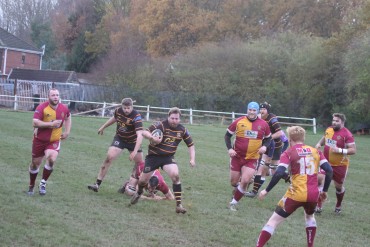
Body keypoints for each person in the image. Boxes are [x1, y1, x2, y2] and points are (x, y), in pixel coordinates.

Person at [255, 126, 333, 247]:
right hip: (313, 194)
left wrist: (266, 190)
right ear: (303, 138)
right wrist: (324, 191)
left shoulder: (289, 152)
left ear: (290, 139)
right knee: (309, 216)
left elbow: (279, 172)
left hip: (295, 194)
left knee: (273, 221)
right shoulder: (316, 151)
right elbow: (329, 170)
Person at [129, 107, 196, 214]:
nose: (174, 121)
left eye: (177, 119)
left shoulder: (182, 130)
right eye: (172, 118)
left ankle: (179, 205)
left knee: (175, 176)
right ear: (168, 117)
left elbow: (191, 145)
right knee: (142, 181)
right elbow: (144, 132)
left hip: (167, 158)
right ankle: (139, 192)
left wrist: (192, 159)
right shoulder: (160, 125)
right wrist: (152, 138)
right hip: (153, 157)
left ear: (180, 119)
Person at [88, 98, 144, 192]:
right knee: (109, 157)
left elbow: (140, 136)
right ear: (122, 106)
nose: (126, 110)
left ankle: (131, 184)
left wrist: (134, 151)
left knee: (140, 164)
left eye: (128, 108)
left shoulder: (136, 116)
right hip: (120, 138)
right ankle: (97, 184)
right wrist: (103, 127)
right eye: (125, 108)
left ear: (132, 107)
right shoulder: (118, 111)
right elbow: (114, 118)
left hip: (133, 141)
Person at [225, 101, 272, 211]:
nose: (251, 112)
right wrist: (230, 149)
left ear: (257, 111)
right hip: (237, 157)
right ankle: (239, 188)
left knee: (245, 180)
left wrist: (265, 146)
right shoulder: (238, 121)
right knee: (233, 182)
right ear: (247, 110)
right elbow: (227, 136)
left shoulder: (263, 124)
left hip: (252, 158)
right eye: (250, 110)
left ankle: (233, 203)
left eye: (254, 110)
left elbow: (268, 138)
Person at [27, 88, 72, 195]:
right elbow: (35, 122)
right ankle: (31, 185)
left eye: (57, 95)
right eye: (53, 95)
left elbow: (68, 117)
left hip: (54, 140)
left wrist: (67, 131)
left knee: (51, 159)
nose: (56, 97)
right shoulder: (42, 107)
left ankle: (43, 183)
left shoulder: (63, 108)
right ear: (48, 97)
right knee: (35, 164)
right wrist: (50, 124)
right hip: (39, 140)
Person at [315, 113, 356, 214]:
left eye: (337, 121)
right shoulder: (329, 129)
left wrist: (340, 150)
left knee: (338, 187)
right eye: (333, 120)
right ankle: (318, 205)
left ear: (342, 122)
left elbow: (353, 150)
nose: (334, 122)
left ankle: (338, 204)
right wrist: (319, 143)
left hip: (340, 165)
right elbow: (325, 138)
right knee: (319, 180)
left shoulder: (347, 134)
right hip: (325, 162)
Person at [246, 102, 283, 198]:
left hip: (276, 147)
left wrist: (268, 137)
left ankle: (291, 179)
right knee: (262, 169)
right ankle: (253, 191)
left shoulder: (272, 119)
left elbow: (280, 133)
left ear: (267, 111)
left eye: (264, 109)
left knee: (274, 171)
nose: (262, 111)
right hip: (266, 146)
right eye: (261, 109)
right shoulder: (258, 117)